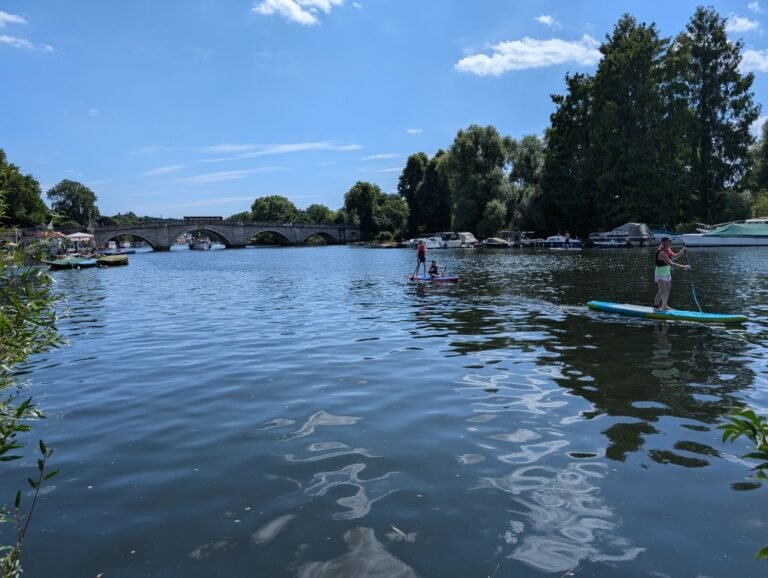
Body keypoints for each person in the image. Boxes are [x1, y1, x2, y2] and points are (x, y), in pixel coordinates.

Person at [653, 237, 689, 310]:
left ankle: (664, 305)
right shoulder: (662, 252)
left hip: (667, 272)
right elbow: (671, 264)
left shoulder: (668, 249)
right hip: (660, 273)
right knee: (662, 290)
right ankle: (656, 305)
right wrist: (684, 266)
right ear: (664, 242)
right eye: (669, 241)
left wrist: (681, 251)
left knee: (667, 289)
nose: (671, 242)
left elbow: (674, 257)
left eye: (671, 241)